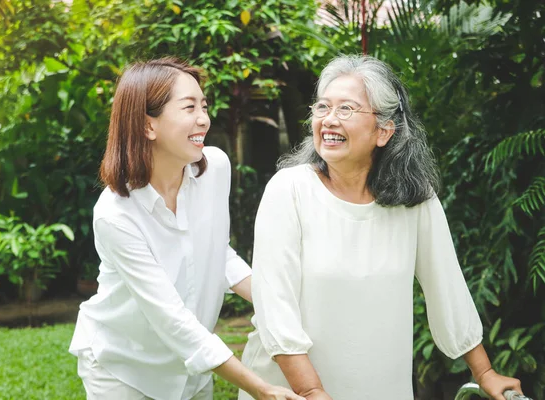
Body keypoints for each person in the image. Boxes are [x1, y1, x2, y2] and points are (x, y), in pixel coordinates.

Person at [238, 55, 524, 400]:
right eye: (323, 107)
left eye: (346, 109)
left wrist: (485, 372)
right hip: (293, 390)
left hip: (380, 384)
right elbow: (275, 307)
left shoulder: (414, 200)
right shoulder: (289, 190)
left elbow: (446, 287)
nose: (329, 120)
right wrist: (312, 391)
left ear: (384, 131)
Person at [69, 57, 304, 400]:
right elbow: (173, 321)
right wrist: (262, 389)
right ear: (148, 126)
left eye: (204, 106)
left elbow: (218, 253)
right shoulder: (115, 215)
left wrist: (279, 300)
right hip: (124, 372)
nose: (204, 119)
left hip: (192, 372)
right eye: (189, 107)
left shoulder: (215, 169)